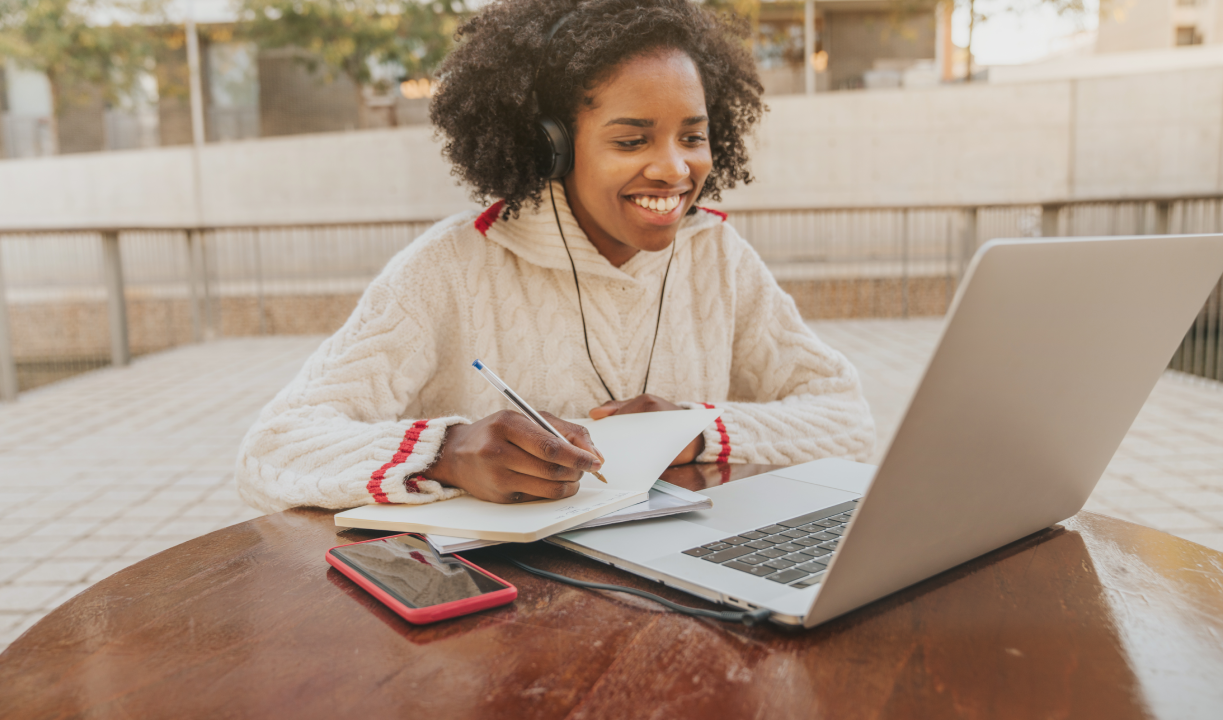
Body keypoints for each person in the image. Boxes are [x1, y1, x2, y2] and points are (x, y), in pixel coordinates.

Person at [235, 0, 875, 513]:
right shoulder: (449, 268)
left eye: (693, 136)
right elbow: (271, 452)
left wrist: (704, 427)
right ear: (552, 149)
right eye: (632, 140)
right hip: (503, 627)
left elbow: (847, 419)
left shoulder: (719, 258)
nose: (676, 169)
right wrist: (446, 451)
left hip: (684, 604)